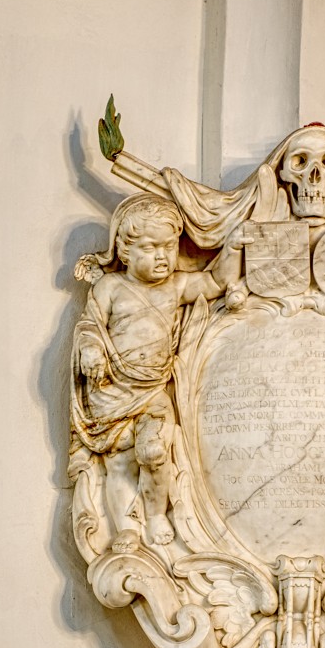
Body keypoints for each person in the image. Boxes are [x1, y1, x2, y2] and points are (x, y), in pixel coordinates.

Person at [70, 193, 248, 552]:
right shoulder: (110, 287)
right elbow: (90, 325)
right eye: (150, 248)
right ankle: (127, 528)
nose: (163, 256)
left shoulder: (175, 286)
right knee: (119, 465)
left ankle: (155, 514)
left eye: (168, 246)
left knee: (153, 452)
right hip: (112, 391)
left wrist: (233, 249)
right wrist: (90, 349)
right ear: (124, 251)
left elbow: (214, 282)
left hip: (153, 390)